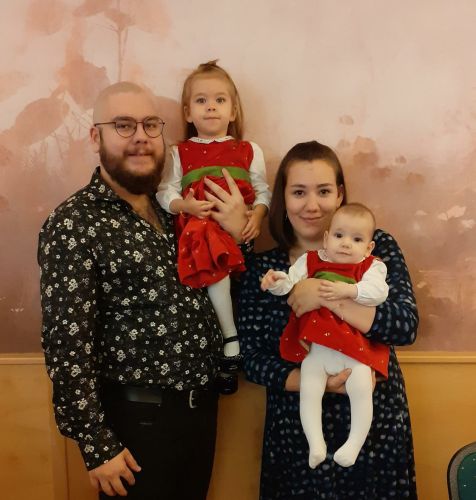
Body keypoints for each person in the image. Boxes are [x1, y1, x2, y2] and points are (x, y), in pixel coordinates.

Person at [38, 81, 248, 499]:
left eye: (151, 125)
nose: (141, 137)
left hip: (200, 414)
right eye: (123, 125)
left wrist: (238, 228)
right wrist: (97, 445)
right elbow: (67, 343)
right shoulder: (74, 223)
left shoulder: (175, 211)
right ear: (95, 137)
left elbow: (221, 278)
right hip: (134, 428)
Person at [238, 140, 419, 499]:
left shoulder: (374, 248)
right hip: (296, 433)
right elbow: (252, 358)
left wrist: (322, 295)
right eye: (298, 192)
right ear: (283, 198)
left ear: (339, 195)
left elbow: (404, 324)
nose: (312, 205)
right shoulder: (265, 268)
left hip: (375, 427)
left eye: (323, 191)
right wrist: (315, 384)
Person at [157, 60, 271, 373]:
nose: (211, 107)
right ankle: (228, 335)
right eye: (201, 100)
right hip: (200, 224)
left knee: (248, 288)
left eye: (220, 100)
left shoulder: (249, 150)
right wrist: (185, 206)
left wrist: (258, 217)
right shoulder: (179, 152)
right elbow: (165, 191)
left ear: (233, 111)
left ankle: (234, 340)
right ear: (187, 113)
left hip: (240, 228)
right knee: (208, 245)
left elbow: (263, 191)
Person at [261, 202, 389, 469]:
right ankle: (316, 444)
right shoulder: (310, 261)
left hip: (354, 349)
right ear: (327, 237)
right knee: (309, 389)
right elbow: (289, 284)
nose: (346, 244)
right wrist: (275, 282)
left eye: (356, 240)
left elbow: (379, 293)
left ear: (369, 248)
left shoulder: (371, 267)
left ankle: (354, 444)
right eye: (339, 235)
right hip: (317, 348)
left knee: (362, 388)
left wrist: (349, 292)